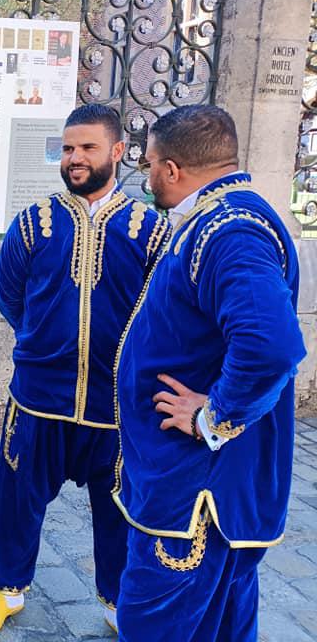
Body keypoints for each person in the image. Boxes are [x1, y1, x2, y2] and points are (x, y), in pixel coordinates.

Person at [0, 104, 171, 636]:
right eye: (67, 148)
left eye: (87, 147)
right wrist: (41, 341)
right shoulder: (34, 222)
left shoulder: (150, 230)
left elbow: (161, 313)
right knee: (17, 499)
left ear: (117, 152)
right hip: (39, 396)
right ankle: (8, 589)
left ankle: (115, 602)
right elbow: (7, 293)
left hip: (115, 405)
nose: (75, 158)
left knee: (118, 510)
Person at [113, 105, 305, 641]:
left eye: (149, 162)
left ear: (171, 169)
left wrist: (213, 415)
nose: (146, 174)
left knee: (153, 624)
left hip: (196, 499)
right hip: (207, 490)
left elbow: (271, 345)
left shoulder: (230, 231)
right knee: (220, 624)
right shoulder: (221, 218)